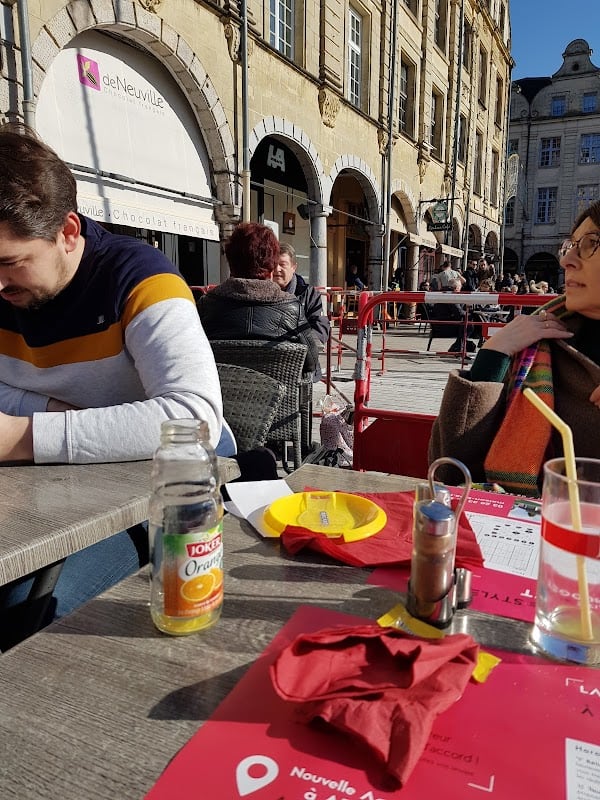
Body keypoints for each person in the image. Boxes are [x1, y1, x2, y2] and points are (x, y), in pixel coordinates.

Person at [0, 123, 229, 648]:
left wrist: (21, 436)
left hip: (152, 495)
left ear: (68, 231)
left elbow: (195, 418)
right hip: (41, 491)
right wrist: (48, 412)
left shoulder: (141, 279)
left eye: (11, 263)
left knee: (22, 610)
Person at [429, 200, 600, 496]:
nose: (566, 260)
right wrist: (493, 354)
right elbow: (448, 470)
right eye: (570, 245)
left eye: (590, 244)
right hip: (523, 531)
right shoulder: (537, 343)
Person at [197, 223, 321, 377]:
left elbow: (192, 357)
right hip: (280, 399)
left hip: (222, 397)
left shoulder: (207, 304)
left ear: (230, 262)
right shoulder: (291, 308)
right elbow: (311, 362)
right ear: (271, 266)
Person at [273, 243, 330, 381]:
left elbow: (321, 330)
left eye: (283, 264)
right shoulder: (262, 293)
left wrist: (293, 348)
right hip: (271, 364)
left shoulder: (309, 294)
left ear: (294, 267)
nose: (277, 269)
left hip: (302, 366)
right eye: (274, 264)